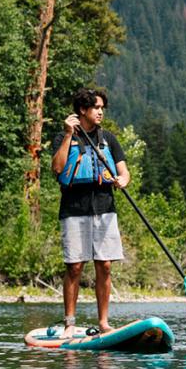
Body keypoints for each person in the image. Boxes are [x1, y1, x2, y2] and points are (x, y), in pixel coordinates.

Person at [50, 87, 129, 335]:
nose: (100, 112)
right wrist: (67, 135)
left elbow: (124, 171)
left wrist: (123, 180)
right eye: (96, 108)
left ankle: (103, 322)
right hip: (74, 209)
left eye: (102, 108)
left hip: (105, 208)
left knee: (104, 265)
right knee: (74, 266)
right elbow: (57, 168)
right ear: (82, 110)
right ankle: (69, 323)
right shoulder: (64, 137)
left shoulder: (109, 139)